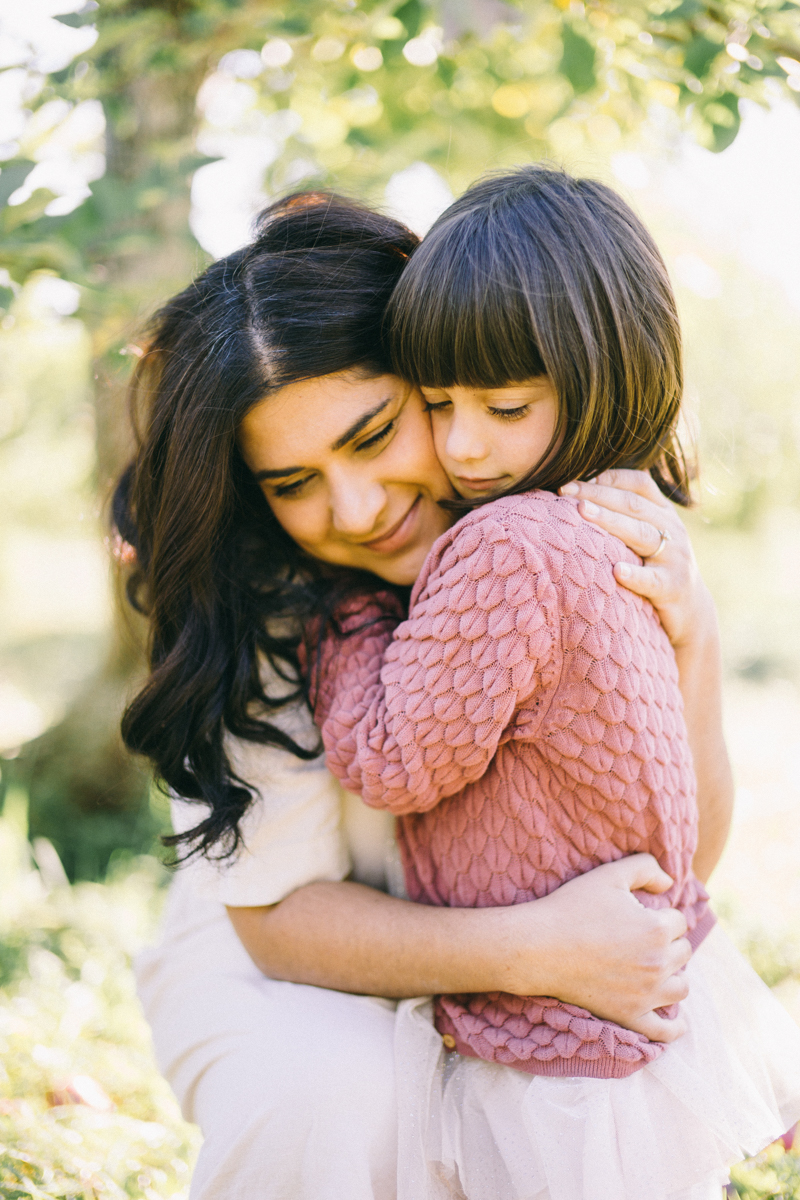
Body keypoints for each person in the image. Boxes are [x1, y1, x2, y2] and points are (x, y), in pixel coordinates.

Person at [122, 191, 732, 1200]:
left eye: (374, 434)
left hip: (556, 953)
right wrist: (533, 950)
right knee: (332, 1090)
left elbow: (666, 861)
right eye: (292, 482)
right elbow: (275, 921)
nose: (354, 511)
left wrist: (692, 633)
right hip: (295, 962)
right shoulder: (269, 607)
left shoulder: (568, 539)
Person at [302, 168, 800, 1200]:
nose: (465, 445)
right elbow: (679, 826)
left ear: (603, 374)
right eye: (436, 404)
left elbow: (394, 762)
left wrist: (341, 620)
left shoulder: (509, 550)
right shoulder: (617, 519)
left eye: (505, 404)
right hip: (638, 1004)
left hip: (552, 1052)